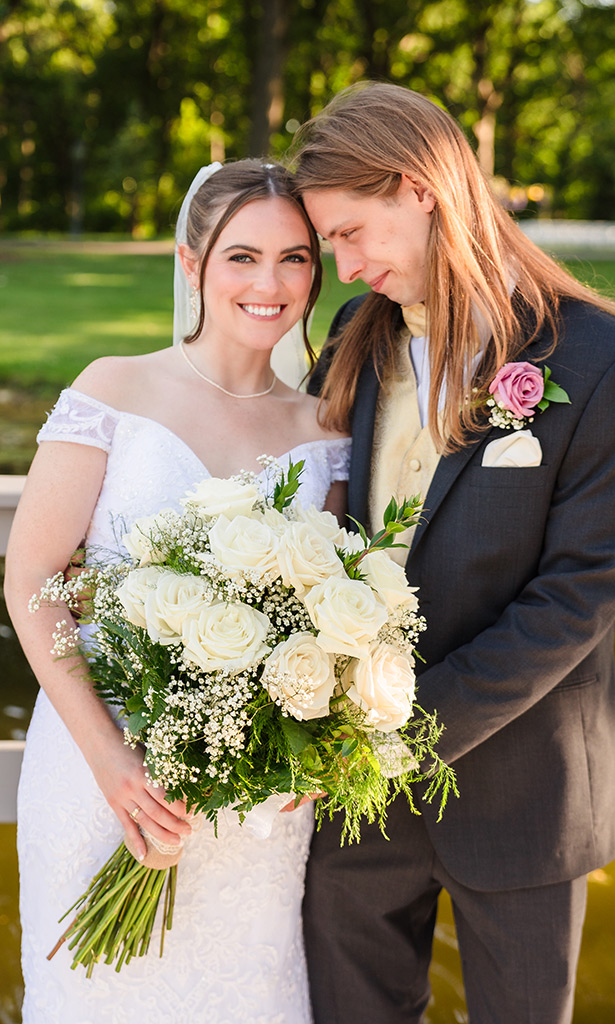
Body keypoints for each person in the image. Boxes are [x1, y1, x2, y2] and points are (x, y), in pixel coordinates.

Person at [291, 82, 615, 1024]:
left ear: (419, 188)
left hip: (524, 795)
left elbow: (577, 596)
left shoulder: (606, 362)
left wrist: (407, 737)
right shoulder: (353, 339)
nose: (340, 268)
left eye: (348, 233)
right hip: (352, 801)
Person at [4, 159, 350, 1024]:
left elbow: (327, 610)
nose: (269, 284)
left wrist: (305, 738)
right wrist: (113, 763)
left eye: (295, 258)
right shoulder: (113, 389)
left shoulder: (324, 428)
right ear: (191, 262)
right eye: (242, 256)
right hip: (98, 764)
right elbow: (32, 579)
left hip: (250, 796)